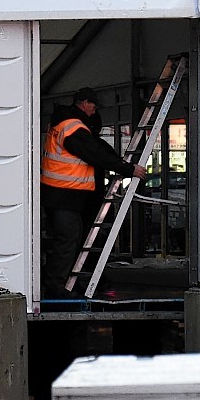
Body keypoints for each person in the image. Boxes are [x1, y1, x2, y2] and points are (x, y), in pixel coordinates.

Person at [41, 87, 147, 298]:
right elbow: (94, 153)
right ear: (84, 103)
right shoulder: (73, 127)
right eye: (94, 106)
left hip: (61, 195)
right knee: (68, 240)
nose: (94, 111)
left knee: (69, 239)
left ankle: (61, 284)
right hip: (64, 195)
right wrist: (128, 169)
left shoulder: (64, 122)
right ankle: (56, 288)